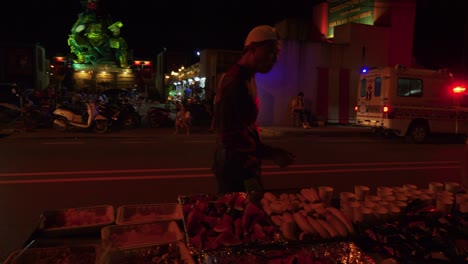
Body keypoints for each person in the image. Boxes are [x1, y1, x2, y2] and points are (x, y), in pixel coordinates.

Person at [212, 25, 295, 194]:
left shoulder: (247, 77)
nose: (274, 58)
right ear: (252, 49)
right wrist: (271, 153)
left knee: (254, 206)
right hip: (235, 167)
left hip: (244, 163)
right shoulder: (235, 83)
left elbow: (245, 125)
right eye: (270, 52)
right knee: (240, 212)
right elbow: (230, 135)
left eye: (277, 54)